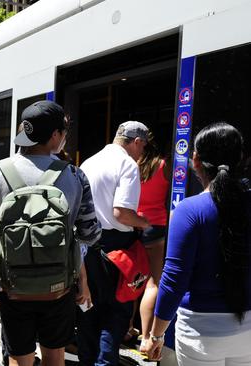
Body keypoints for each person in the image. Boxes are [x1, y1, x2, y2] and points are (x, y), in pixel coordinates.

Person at [0, 101, 101, 366]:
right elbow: (90, 234)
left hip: (13, 286)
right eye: (63, 132)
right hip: (59, 288)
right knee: (55, 356)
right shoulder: (75, 175)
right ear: (55, 135)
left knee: (20, 358)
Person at [141, 122, 251, 364]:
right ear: (241, 158)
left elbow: (174, 279)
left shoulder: (188, 210)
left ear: (195, 159)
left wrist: (156, 334)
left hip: (200, 334)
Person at [77, 121, 151, 365]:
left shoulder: (89, 162)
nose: (142, 153)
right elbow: (121, 213)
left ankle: (88, 360)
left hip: (87, 245)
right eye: (143, 146)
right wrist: (143, 222)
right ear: (136, 142)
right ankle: (106, 362)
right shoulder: (127, 164)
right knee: (117, 309)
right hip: (116, 247)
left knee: (89, 307)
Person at [135, 131, 171, 348]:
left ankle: (127, 328)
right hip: (155, 226)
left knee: (131, 279)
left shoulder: (134, 166)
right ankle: (147, 336)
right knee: (152, 284)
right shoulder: (165, 166)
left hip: (133, 225)